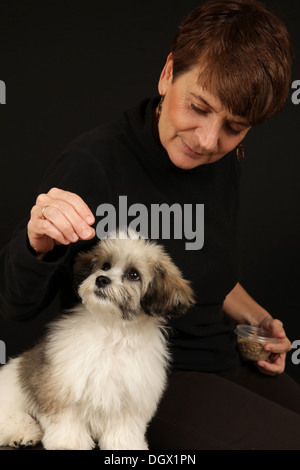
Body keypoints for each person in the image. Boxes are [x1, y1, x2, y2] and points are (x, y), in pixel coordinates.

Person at [0, 0, 299, 450]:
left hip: (227, 358)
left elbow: (209, 269)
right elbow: (16, 303)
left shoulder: (222, 161)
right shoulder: (91, 165)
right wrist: (35, 242)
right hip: (136, 374)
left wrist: (257, 321)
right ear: (167, 75)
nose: (207, 140)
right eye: (198, 107)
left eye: (234, 127)